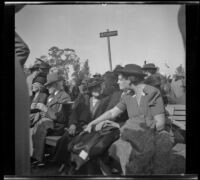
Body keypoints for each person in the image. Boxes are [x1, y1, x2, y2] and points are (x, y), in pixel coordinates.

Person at [84, 64, 173, 175]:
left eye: (120, 79)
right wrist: (92, 123)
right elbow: (112, 112)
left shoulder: (152, 92)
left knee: (148, 154)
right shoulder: (129, 95)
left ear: (131, 79)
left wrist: (134, 131)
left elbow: (160, 124)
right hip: (134, 135)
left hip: (153, 134)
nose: (117, 82)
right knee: (107, 149)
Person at [31, 72, 71, 166]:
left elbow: (60, 117)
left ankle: (38, 158)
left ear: (56, 85)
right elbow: (47, 113)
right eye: (47, 86)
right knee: (35, 123)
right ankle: (33, 154)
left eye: (49, 86)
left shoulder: (64, 96)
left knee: (42, 123)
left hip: (58, 125)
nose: (47, 88)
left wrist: (45, 109)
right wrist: (40, 111)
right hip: (50, 122)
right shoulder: (50, 96)